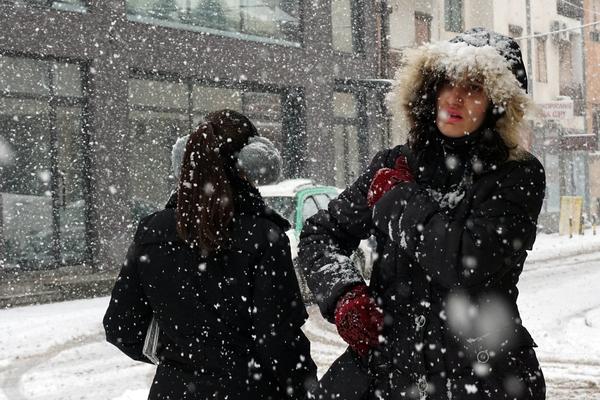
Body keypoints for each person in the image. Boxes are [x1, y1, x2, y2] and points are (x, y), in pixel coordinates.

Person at [299, 28, 546, 399]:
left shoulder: (518, 174)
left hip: (480, 380)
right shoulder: (394, 164)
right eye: (447, 82)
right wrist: (345, 293)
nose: (455, 97)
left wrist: (399, 199)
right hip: (389, 376)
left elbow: (463, 264)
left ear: (497, 103)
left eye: (474, 88)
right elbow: (320, 235)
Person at [104, 109, 317, 400]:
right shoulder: (264, 237)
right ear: (253, 164)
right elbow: (280, 341)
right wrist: (305, 388)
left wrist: (179, 355)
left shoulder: (152, 232)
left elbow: (121, 326)